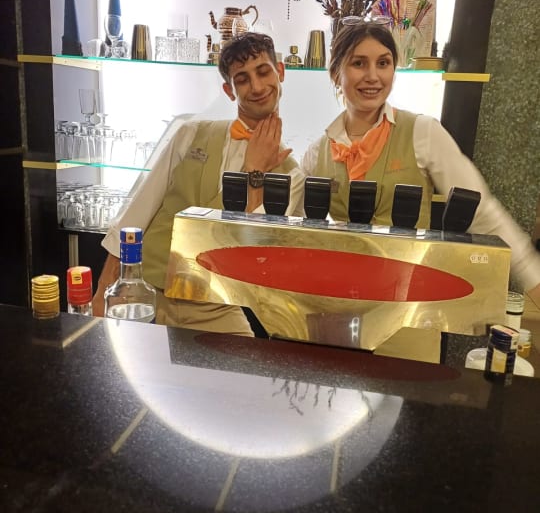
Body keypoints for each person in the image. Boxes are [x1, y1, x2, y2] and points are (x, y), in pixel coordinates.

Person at [301, 21, 540, 306]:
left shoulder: (422, 133)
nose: (373, 76)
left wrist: (533, 277)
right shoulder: (317, 152)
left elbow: (482, 210)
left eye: (383, 63)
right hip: (338, 298)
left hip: (408, 300)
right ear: (335, 73)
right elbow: (295, 231)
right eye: (358, 63)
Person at [93, 32, 304, 334]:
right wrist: (103, 291)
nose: (257, 87)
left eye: (263, 72)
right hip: (147, 295)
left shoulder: (293, 176)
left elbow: (249, 246)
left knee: (242, 364)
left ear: (280, 72)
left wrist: (255, 170)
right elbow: (136, 213)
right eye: (242, 79)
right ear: (229, 91)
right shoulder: (190, 133)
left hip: (215, 305)